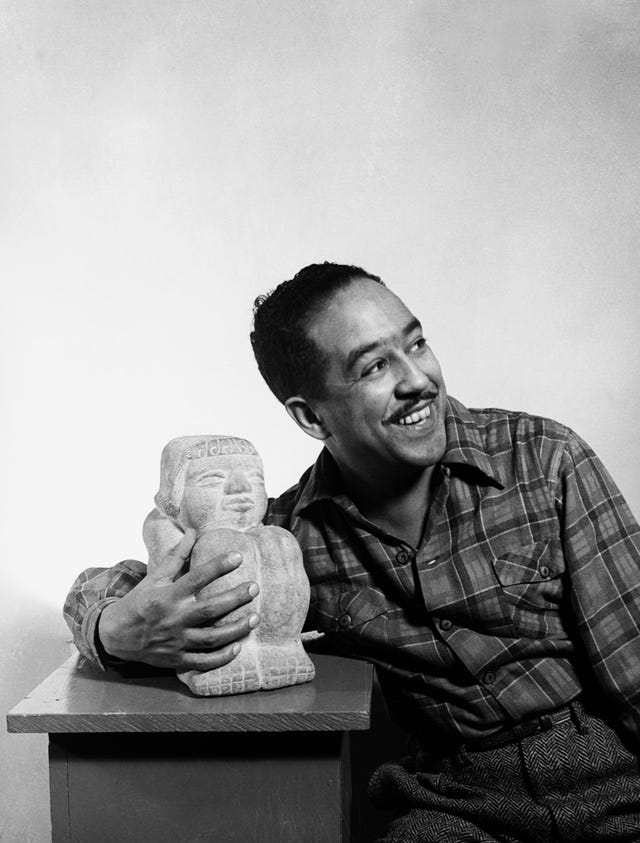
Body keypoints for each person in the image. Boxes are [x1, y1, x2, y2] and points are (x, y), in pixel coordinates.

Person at [64, 262, 640, 842]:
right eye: (376, 366)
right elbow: (128, 583)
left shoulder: (543, 458)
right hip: (462, 805)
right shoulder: (293, 535)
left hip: (616, 778)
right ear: (312, 417)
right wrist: (114, 629)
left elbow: (634, 666)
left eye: (417, 344)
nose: (419, 379)